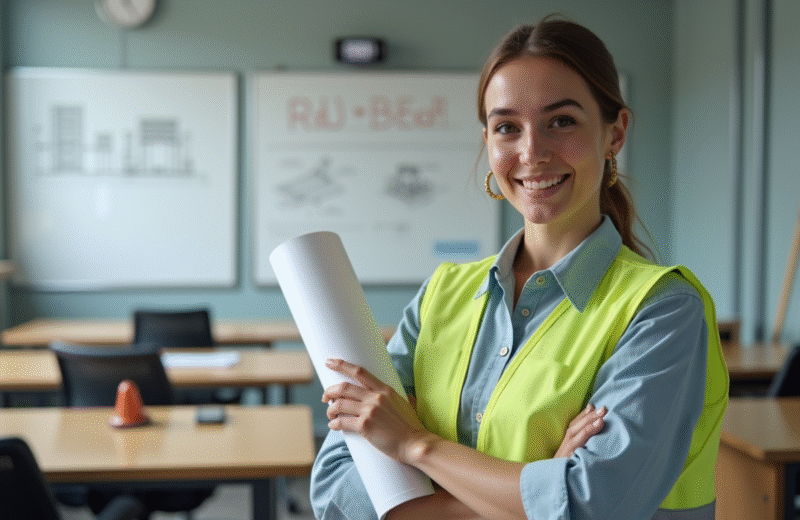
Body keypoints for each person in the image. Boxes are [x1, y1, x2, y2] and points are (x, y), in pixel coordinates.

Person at [310, 16, 728, 520]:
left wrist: (416, 446)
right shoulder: (442, 294)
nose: (532, 152)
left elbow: (587, 507)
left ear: (614, 133)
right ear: (488, 141)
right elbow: (338, 486)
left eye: (562, 121)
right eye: (508, 127)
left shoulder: (663, 311)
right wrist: (536, 489)